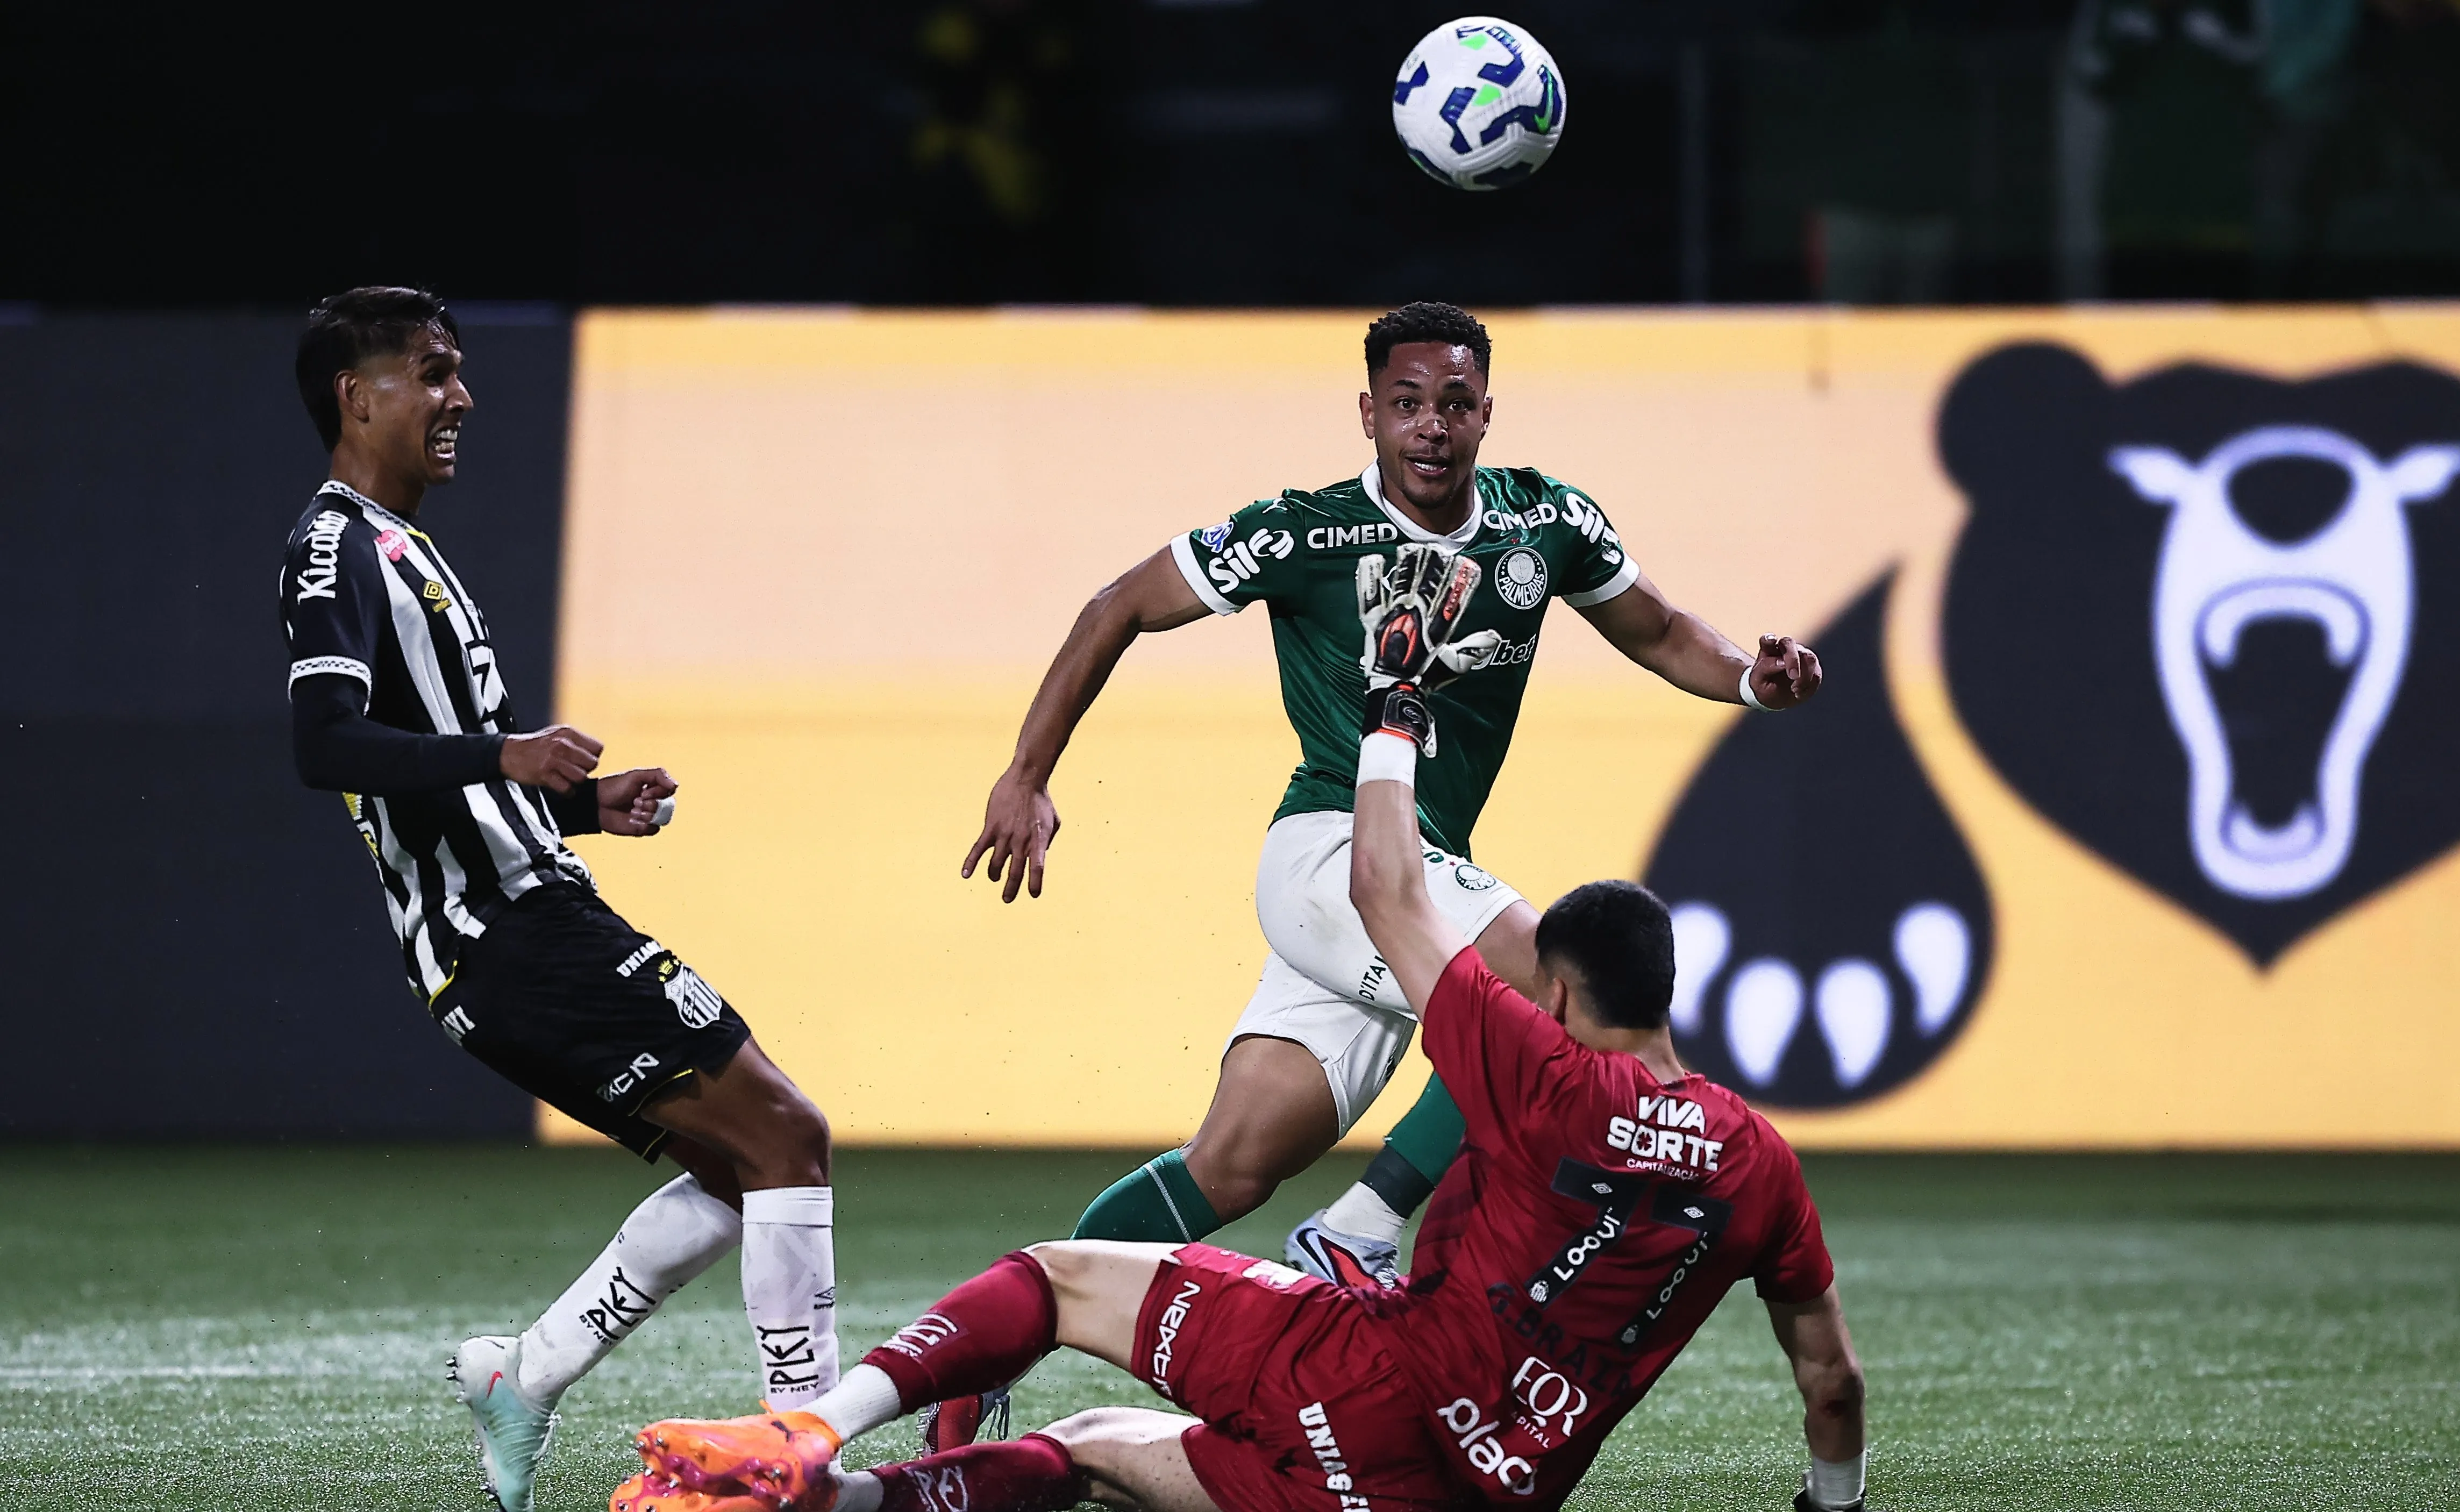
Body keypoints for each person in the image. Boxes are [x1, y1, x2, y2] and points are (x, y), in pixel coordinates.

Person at [616, 544, 1865, 1512]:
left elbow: (1388, 890)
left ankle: (812, 1435)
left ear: (1560, 994)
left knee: (1054, 1277)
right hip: (1470, 1489)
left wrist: (1392, 709)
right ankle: (858, 1499)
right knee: (1103, 1447)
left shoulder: (1537, 1069)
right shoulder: (1760, 1167)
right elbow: (1832, 1381)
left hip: (1369, 1384)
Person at [957, 300, 1822, 1297]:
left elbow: (1665, 630)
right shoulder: (1303, 534)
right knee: (1550, 1002)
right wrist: (1028, 772)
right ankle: (1361, 1228)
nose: (1432, 425)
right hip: (1331, 858)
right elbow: (1121, 605)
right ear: (1367, 415)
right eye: (1407, 402)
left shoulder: (1546, 524)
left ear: (1487, 414)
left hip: (1412, 876)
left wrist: (1754, 681)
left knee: (1230, 1167)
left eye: (1455, 403)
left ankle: (1012, 1325)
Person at [280, 287, 842, 1512]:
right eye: (431, 373)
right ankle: (805, 1449)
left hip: (517, 927)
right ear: (355, 396)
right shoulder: (335, 545)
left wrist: (584, 804)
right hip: (514, 933)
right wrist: (508, 755)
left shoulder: (408, 543)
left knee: (751, 1162)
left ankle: (524, 1374)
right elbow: (325, 743)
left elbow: (443, 779)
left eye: (459, 372)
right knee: (788, 1136)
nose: (460, 397)